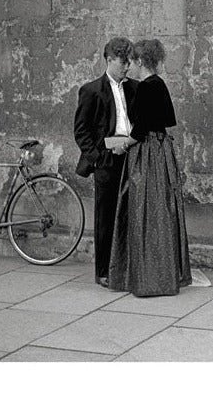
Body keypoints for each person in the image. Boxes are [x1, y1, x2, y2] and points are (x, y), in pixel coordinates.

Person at [108, 38, 192, 297]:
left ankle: (149, 276)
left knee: (144, 211)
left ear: (141, 61)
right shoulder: (161, 85)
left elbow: (141, 129)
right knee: (162, 211)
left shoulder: (146, 87)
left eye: (132, 61)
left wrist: (123, 145)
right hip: (162, 151)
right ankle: (166, 272)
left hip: (147, 154)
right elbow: (165, 121)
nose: (129, 66)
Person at [73, 37, 136, 288]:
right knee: (106, 216)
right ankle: (103, 271)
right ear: (109, 60)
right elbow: (81, 131)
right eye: (123, 62)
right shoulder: (91, 90)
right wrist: (97, 158)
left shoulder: (134, 88)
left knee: (130, 213)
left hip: (131, 155)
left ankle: (127, 266)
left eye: (129, 61)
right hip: (107, 159)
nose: (127, 67)